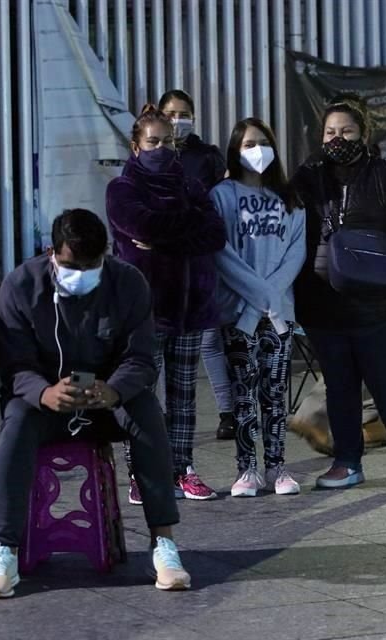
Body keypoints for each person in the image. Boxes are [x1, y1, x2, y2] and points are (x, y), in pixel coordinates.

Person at [0, 209, 191, 598]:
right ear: (51, 253)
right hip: (46, 403)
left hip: (105, 402)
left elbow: (141, 358)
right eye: (71, 265)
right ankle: (3, 551)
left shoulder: (128, 282)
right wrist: (44, 392)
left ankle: (164, 543)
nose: (82, 273)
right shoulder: (21, 286)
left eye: (92, 265)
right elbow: (13, 365)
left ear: (106, 255)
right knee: (17, 421)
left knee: (147, 413)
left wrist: (114, 390)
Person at [291, 99, 386, 491]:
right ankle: (347, 462)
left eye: (347, 132)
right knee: (339, 387)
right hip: (324, 304)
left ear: (364, 134)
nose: (337, 140)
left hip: (380, 305)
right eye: (330, 133)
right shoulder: (309, 177)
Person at [106, 107, 226, 504]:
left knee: (184, 395)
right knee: (141, 394)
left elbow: (215, 234)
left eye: (167, 142)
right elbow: (141, 226)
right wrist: (184, 227)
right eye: (153, 141)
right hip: (146, 311)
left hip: (192, 308)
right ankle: (142, 472)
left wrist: (165, 240)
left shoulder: (191, 185)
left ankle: (182, 468)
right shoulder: (122, 188)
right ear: (136, 145)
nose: (161, 148)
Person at [211, 118, 306, 497]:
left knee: (274, 393)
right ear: (235, 149)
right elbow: (223, 254)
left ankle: (278, 468)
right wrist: (258, 300)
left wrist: (269, 298)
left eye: (263, 142)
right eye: (249, 143)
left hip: (279, 315)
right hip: (238, 313)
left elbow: (295, 253)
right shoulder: (221, 195)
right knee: (243, 393)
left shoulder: (290, 197)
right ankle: (247, 468)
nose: (257, 149)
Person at [158, 89, 235, 441]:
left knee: (208, 341)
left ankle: (228, 411)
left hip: (203, 261)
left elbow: (222, 206)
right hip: (163, 266)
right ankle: (159, 413)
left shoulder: (207, 157)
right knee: (162, 342)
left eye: (184, 113)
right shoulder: (153, 154)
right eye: (171, 114)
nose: (178, 120)